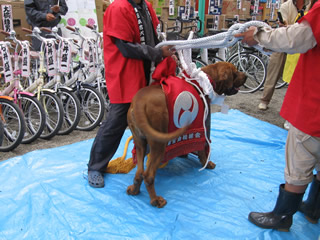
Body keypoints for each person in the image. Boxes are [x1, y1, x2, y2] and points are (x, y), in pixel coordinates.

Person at [235, 0, 320, 231]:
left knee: (300, 156)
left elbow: (298, 37)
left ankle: (282, 216)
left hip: (315, 105)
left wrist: (260, 36)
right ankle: (314, 207)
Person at [87, 0, 173, 188]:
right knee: (117, 121)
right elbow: (125, 47)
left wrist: (166, 50)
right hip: (125, 73)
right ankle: (95, 167)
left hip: (146, 71)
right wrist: (158, 54)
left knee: (150, 116)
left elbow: (154, 39)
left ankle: (149, 155)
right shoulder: (118, 8)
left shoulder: (146, 6)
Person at [258, 0, 309, 113]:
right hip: (283, 40)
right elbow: (284, 24)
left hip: (299, 44)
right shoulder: (286, 6)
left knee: (297, 78)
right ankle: (264, 100)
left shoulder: (310, 5)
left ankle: (293, 108)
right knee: (273, 71)